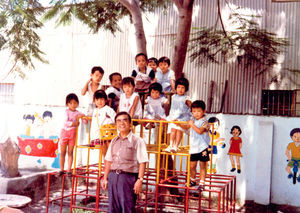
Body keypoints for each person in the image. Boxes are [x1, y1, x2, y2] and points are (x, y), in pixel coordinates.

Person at [101, 112, 148, 213]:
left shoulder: (138, 141)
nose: (121, 123)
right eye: (118, 121)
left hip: (128, 178)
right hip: (113, 177)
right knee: (113, 208)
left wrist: (140, 180)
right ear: (116, 124)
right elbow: (108, 160)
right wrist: (105, 178)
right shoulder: (113, 141)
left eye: (125, 120)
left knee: (127, 208)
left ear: (130, 124)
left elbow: (143, 162)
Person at [59, 93, 85, 177]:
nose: (73, 105)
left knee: (70, 152)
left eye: (75, 103)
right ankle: (61, 169)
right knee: (63, 152)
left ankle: (69, 170)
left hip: (72, 135)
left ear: (77, 103)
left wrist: (83, 117)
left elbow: (84, 121)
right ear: (67, 104)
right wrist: (75, 123)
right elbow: (65, 123)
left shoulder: (78, 113)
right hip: (65, 133)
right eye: (71, 103)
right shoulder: (66, 112)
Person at [186, 100, 210, 190]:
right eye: (194, 111)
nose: (196, 113)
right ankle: (192, 180)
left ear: (204, 111)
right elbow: (186, 127)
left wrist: (191, 125)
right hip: (194, 148)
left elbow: (200, 131)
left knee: (202, 166)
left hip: (202, 147)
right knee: (192, 166)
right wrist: (176, 124)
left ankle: (202, 183)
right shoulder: (193, 121)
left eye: (199, 111)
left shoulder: (205, 122)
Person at [165, 77, 192, 153]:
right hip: (173, 117)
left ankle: (176, 146)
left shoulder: (186, 98)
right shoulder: (173, 97)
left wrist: (192, 106)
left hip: (182, 118)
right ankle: (171, 145)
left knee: (179, 130)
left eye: (183, 88)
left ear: (186, 89)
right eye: (179, 87)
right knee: (172, 130)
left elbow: (190, 104)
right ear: (176, 88)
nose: (180, 89)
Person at [90, 90, 116, 157]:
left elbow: (115, 119)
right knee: (104, 151)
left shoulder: (108, 109)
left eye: (101, 99)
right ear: (94, 101)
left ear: (105, 100)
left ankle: (111, 166)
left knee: (110, 151)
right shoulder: (95, 111)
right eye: (97, 99)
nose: (99, 101)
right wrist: (92, 137)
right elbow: (93, 125)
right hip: (99, 135)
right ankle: (106, 165)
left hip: (109, 135)